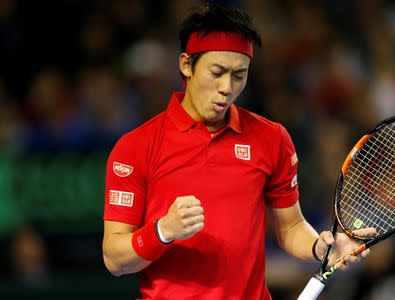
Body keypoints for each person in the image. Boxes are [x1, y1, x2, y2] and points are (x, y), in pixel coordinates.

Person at [102, 3, 370, 299]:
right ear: (186, 65)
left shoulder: (272, 139)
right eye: (216, 72)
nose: (226, 87)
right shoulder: (135, 147)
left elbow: (291, 226)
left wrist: (322, 248)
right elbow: (115, 260)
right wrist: (162, 231)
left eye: (239, 75)